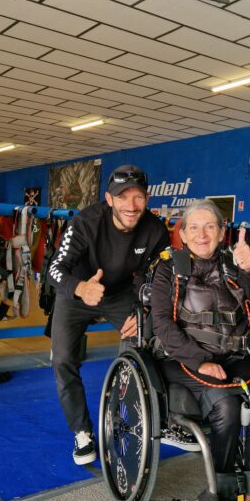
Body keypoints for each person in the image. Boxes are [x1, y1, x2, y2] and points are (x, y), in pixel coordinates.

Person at [150, 199, 250, 501]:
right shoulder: (168, 268)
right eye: (194, 227)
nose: (202, 234)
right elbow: (162, 325)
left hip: (236, 354)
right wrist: (199, 360)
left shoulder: (234, 261)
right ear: (183, 234)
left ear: (221, 232)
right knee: (226, 405)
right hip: (185, 357)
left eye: (210, 226)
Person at [48, 165, 169, 465]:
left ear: (147, 198)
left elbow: (159, 279)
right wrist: (79, 288)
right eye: (122, 197)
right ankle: (81, 432)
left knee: (144, 336)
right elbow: (54, 269)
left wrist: (144, 309)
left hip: (120, 293)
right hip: (79, 291)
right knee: (62, 359)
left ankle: (124, 412)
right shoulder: (86, 222)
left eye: (138, 196)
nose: (131, 205)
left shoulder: (155, 230)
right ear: (109, 198)